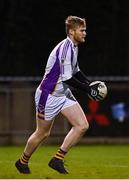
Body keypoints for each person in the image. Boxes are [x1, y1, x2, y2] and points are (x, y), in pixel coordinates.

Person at [15, 15, 103, 174]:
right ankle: (22, 162)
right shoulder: (65, 48)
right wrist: (88, 90)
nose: (85, 33)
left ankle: (57, 159)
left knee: (82, 125)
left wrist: (90, 84)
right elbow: (68, 78)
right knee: (42, 133)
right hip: (48, 95)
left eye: (85, 30)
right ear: (71, 32)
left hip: (62, 94)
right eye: (82, 30)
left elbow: (76, 71)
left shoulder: (73, 46)